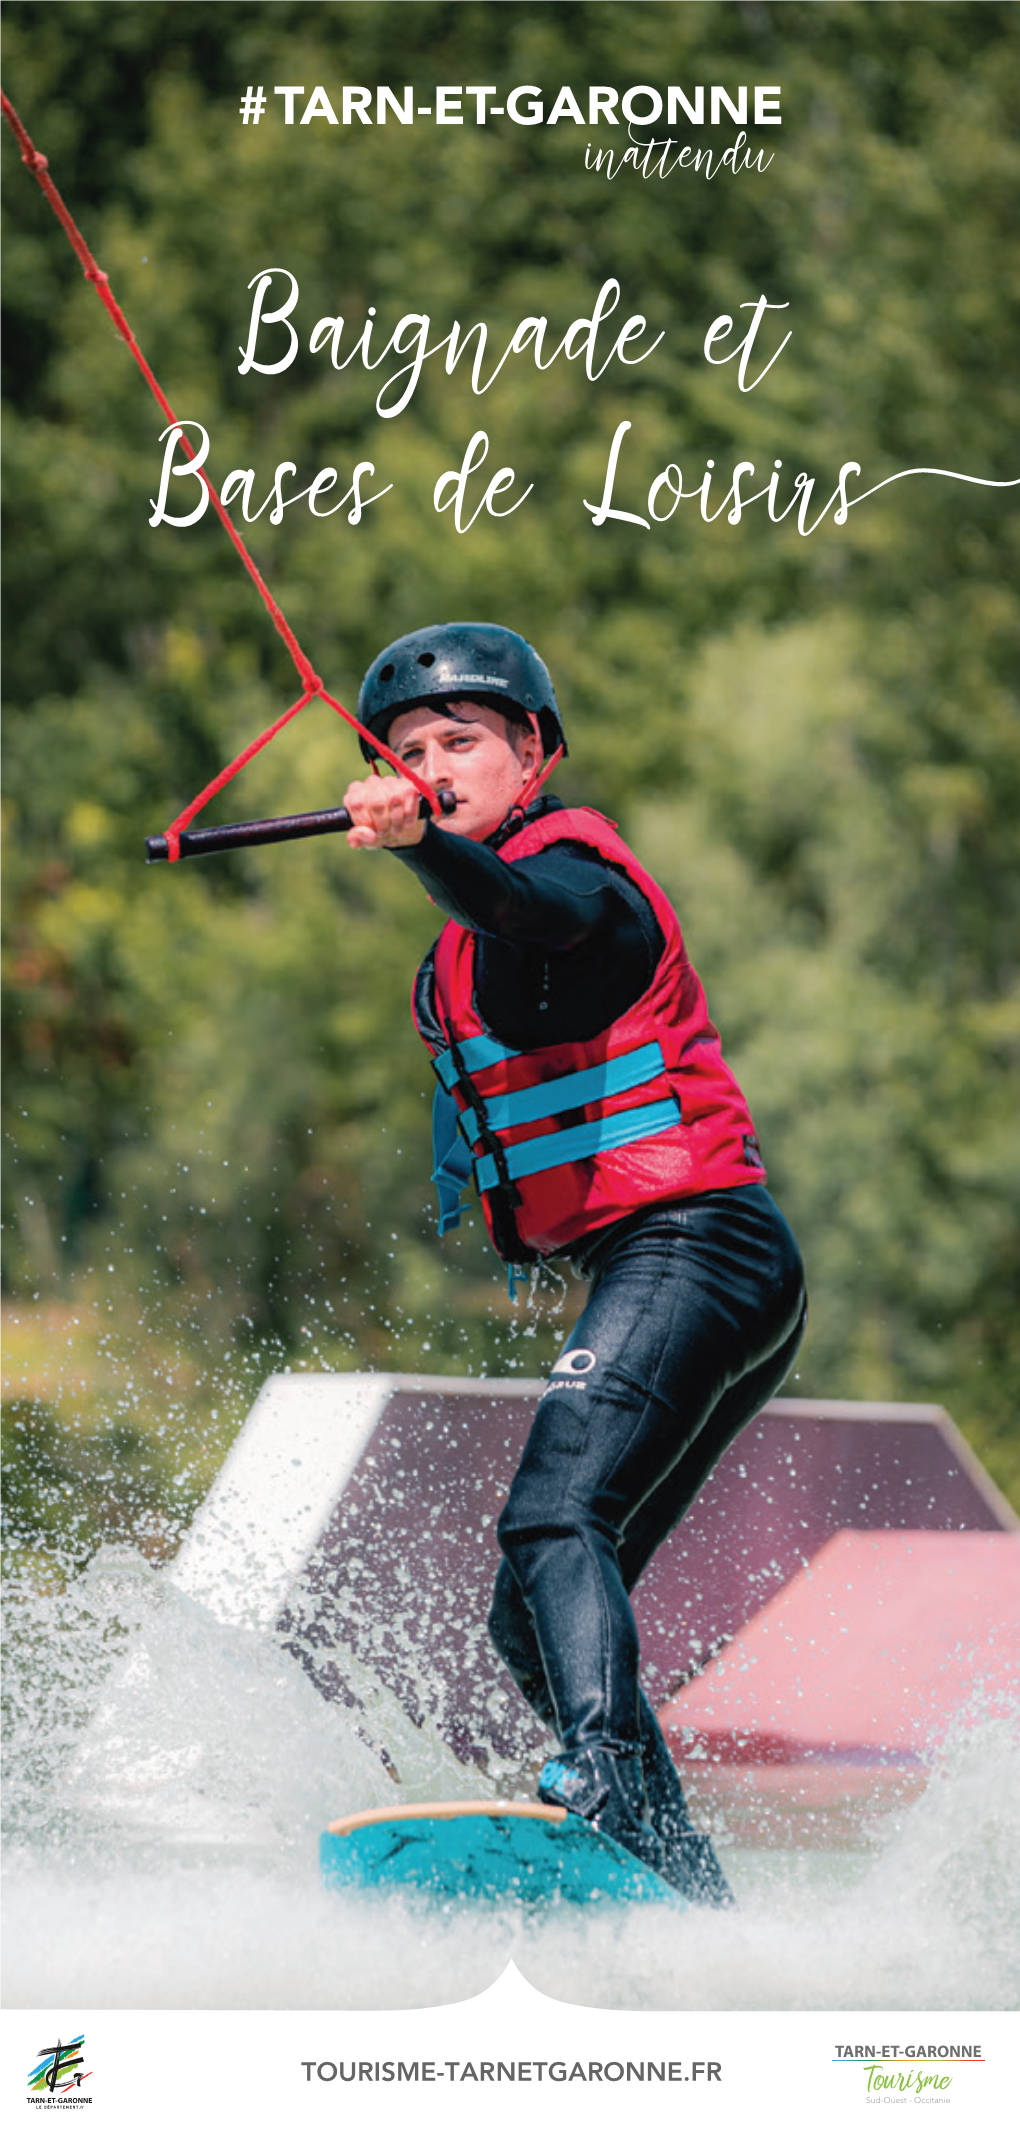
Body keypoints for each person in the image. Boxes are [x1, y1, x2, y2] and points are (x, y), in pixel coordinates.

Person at [343, 622, 806, 1905]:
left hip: (705, 1240)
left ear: (533, 753)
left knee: (554, 1512)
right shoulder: (461, 934)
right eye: (412, 751)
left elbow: (530, 918)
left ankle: (601, 1777)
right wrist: (434, 852)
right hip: (669, 1262)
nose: (437, 763)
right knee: (524, 1615)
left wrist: (423, 842)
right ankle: (679, 1878)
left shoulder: (575, 874)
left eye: (464, 743)